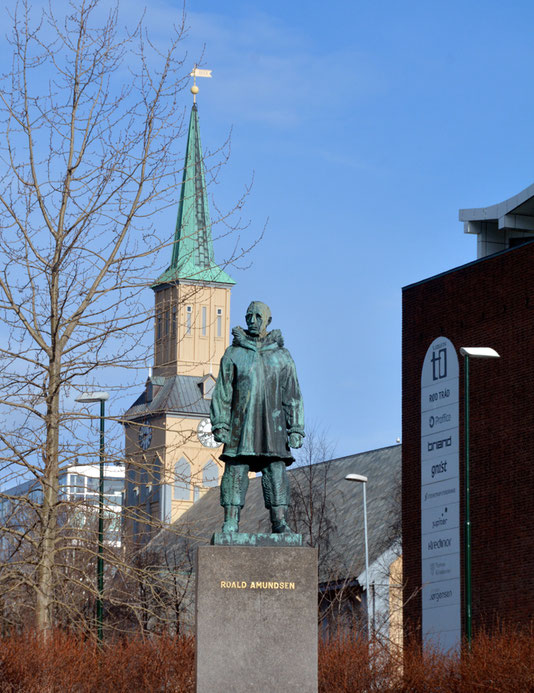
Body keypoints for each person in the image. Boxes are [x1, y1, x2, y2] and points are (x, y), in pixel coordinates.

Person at [210, 301, 305, 533]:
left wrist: (295, 428)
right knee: (235, 468)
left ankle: (279, 520)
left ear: (267, 321)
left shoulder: (282, 356)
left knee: (275, 469)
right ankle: (231, 520)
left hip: (272, 426)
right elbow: (223, 390)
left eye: (257, 316)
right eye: (249, 316)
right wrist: (220, 422)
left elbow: (291, 394)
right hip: (241, 424)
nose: (252, 320)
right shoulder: (234, 354)